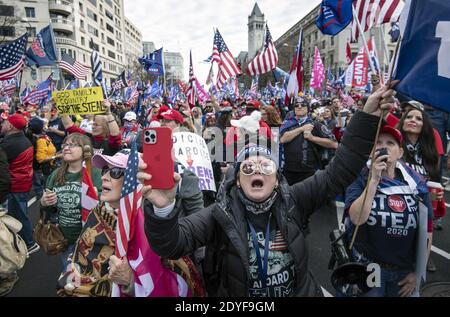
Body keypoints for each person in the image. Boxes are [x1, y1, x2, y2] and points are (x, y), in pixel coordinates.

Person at [139, 86, 396, 297]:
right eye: (248, 167)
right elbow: (171, 245)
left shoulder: (294, 199)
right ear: (237, 180)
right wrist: (163, 208)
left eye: (265, 165)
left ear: (276, 178)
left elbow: (339, 171)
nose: (257, 170)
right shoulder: (219, 214)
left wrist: (367, 117)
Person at [344, 126, 433, 297]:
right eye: (377, 142)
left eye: (390, 143)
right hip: (370, 267)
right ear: (371, 151)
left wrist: (418, 273)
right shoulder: (360, 177)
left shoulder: (416, 184)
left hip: (404, 271)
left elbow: (427, 231)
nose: (382, 146)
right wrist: (374, 180)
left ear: (400, 152)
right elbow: (356, 218)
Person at [40, 133, 102, 269]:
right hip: (66, 238)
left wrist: (98, 195)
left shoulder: (95, 173)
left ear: (85, 149)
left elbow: (107, 204)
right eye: (65, 145)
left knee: (90, 278)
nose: (66, 148)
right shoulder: (56, 174)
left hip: (92, 240)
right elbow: (48, 208)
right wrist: (45, 202)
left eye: (73, 145)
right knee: (70, 276)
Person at [397, 106, 442, 272]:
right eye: (409, 117)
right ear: (403, 121)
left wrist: (436, 194)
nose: (413, 121)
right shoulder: (393, 145)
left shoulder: (430, 152)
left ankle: (423, 259)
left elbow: (434, 181)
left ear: (424, 126)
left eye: (418, 119)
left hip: (422, 209)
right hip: (397, 208)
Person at [0, 113, 39, 255]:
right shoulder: (23, 139)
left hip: (15, 186)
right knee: (20, 214)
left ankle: (29, 243)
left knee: (17, 217)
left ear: (10, 126)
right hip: (22, 183)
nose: (2, 125)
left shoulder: (9, 144)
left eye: (4, 123)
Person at [280, 97, 338, 186]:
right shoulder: (288, 123)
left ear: (308, 108)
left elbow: (333, 144)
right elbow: (283, 139)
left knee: (306, 199)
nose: (299, 107)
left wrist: (312, 138)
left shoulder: (316, 124)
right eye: (296, 105)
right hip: (288, 170)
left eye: (303, 105)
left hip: (308, 171)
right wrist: (302, 129)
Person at [28, 117, 59, 200]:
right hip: (42, 169)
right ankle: (42, 207)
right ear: (40, 128)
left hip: (45, 168)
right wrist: (56, 156)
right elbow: (41, 159)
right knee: (43, 190)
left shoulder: (43, 136)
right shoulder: (40, 140)